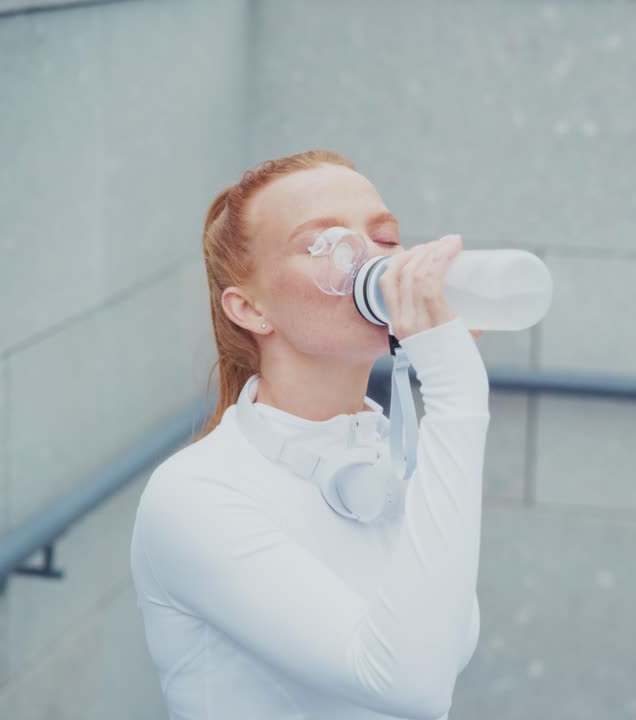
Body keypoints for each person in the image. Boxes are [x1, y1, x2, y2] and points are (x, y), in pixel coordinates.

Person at [130, 150, 490, 719]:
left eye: (385, 236)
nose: (371, 259)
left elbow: (441, 644)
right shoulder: (195, 494)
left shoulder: (389, 457)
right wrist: (457, 398)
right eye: (324, 244)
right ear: (249, 308)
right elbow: (407, 685)